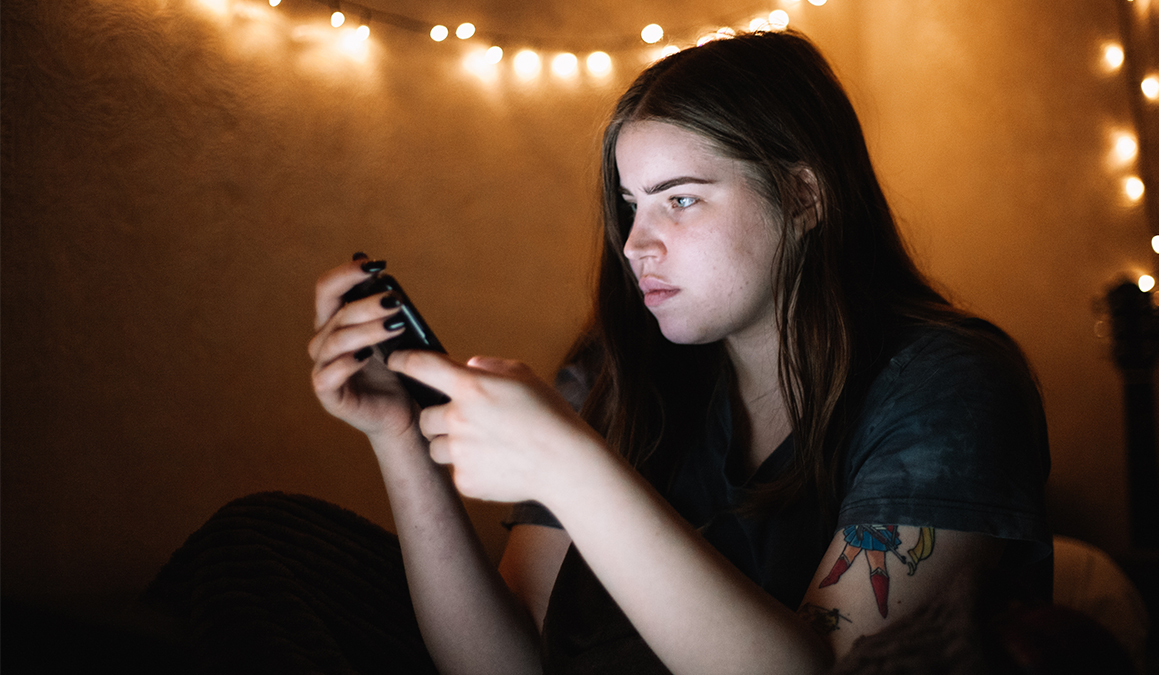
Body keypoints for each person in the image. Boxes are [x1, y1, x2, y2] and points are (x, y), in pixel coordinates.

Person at [307, 30, 1050, 674]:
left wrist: (569, 464)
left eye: (681, 199)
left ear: (802, 197)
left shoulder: (948, 386)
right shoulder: (618, 373)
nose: (634, 246)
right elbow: (507, 662)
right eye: (630, 206)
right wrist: (399, 436)